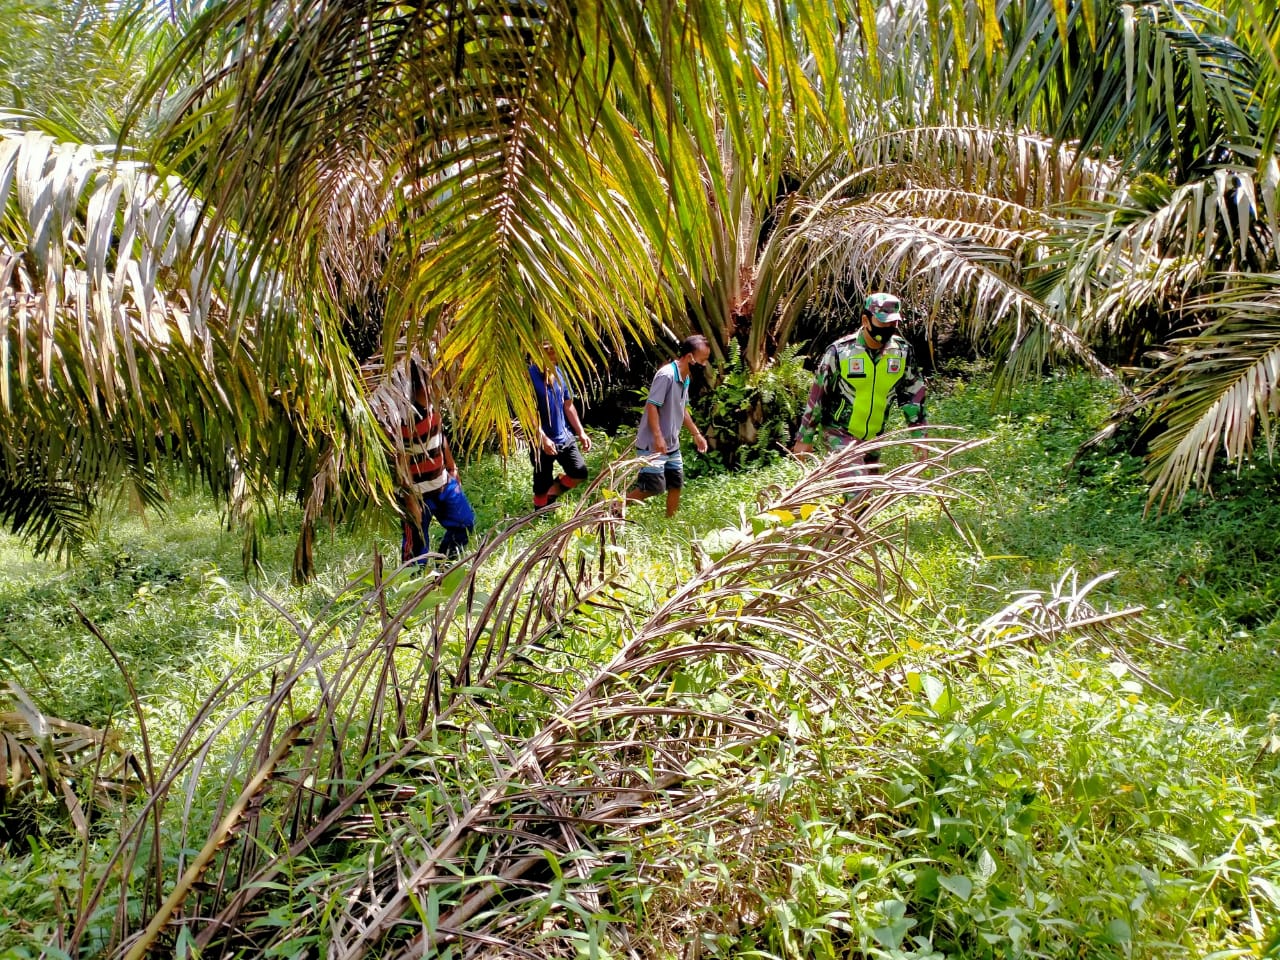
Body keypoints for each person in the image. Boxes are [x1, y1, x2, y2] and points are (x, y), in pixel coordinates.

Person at [792, 292, 927, 460]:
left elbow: (913, 393)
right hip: (839, 434)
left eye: (893, 322)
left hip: (873, 437)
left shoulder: (901, 352)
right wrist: (805, 437)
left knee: (867, 485)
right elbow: (818, 395)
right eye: (883, 322)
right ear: (866, 321)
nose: (889, 328)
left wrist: (919, 432)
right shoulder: (840, 352)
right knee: (857, 485)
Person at [394, 361, 475, 562]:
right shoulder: (406, 418)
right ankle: (416, 589)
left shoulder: (433, 406)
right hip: (417, 494)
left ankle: (445, 568)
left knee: (464, 522)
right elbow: (400, 462)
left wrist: (452, 467)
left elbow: (439, 436)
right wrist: (410, 501)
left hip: (442, 483)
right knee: (416, 550)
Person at [626, 334, 711, 517]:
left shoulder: (685, 377)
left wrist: (696, 434)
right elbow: (652, 406)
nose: (705, 365)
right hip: (653, 444)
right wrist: (658, 437)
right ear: (690, 357)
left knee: (676, 482)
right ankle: (616, 507)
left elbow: (682, 408)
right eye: (703, 360)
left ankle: (669, 521)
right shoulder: (666, 375)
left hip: (672, 444)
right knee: (653, 486)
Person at [529, 341, 593, 508]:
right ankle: (540, 515)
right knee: (541, 486)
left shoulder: (559, 374)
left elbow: (568, 404)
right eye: (546, 351)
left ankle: (553, 492)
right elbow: (527, 413)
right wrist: (542, 438)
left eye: (553, 351)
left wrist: (581, 432)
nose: (551, 355)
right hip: (541, 441)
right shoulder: (528, 376)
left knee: (579, 472)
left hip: (564, 436)